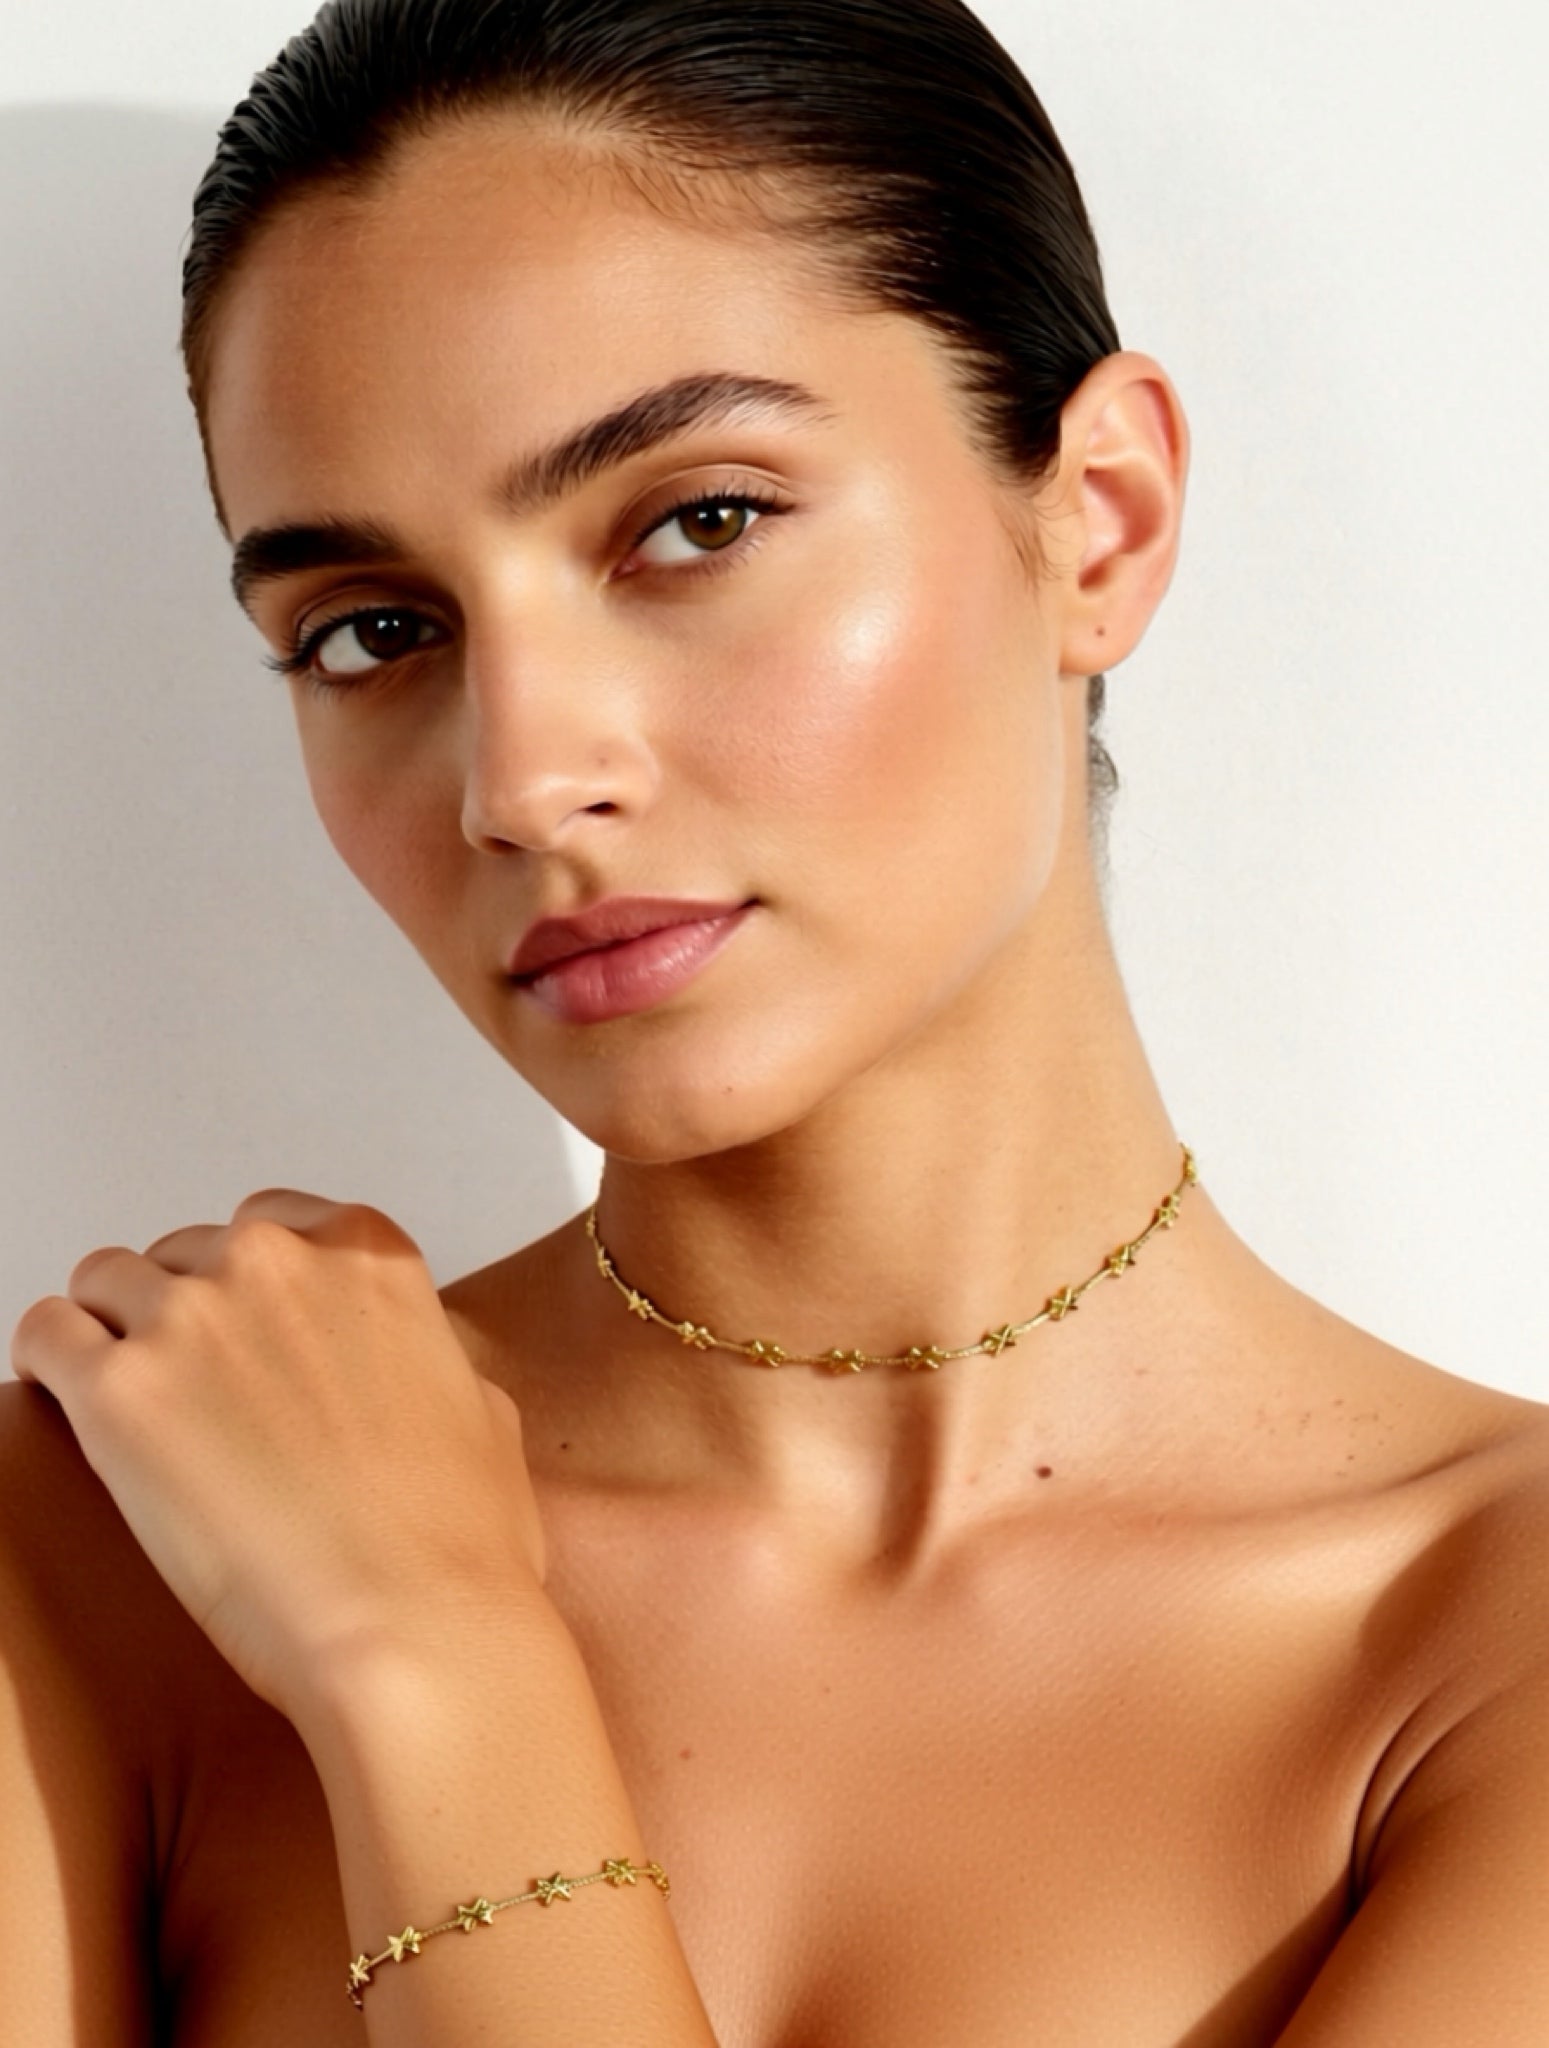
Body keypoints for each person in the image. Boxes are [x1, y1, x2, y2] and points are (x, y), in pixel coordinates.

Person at [4, 0, 1547, 2041]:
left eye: (693, 521)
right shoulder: (117, 1548)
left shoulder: (1484, 1648)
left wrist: (433, 1664)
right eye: (372, 630)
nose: (522, 778)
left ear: (1097, 520)